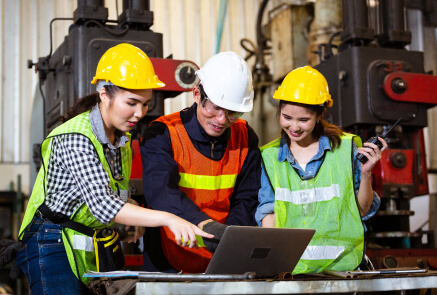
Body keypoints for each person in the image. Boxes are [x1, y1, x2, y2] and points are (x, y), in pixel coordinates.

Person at [12, 43, 213, 294]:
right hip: (51, 239)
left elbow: (113, 193)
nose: (139, 113)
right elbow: (103, 205)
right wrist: (167, 218)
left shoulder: (121, 139)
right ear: (104, 93)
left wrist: (135, 209)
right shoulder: (76, 136)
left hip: (90, 239)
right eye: (131, 102)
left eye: (146, 104)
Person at [256, 66, 386, 274]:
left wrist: (366, 172)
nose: (294, 127)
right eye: (287, 118)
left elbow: (361, 210)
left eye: (303, 120)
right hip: (291, 273)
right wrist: (275, 263)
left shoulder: (345, 149)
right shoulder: (268, 157)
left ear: (320, 113)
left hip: (343, 271)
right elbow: (268, 213)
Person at [140, 51, 261, 273]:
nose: (222, 120)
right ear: (197, 94)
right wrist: (207, 226)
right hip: (170, 259)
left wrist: (229, 237)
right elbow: (161, 193)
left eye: (233, 112)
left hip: (224, 255)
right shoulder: (163, 133)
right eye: (214, 107)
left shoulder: (245, 136)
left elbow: (247, 197)